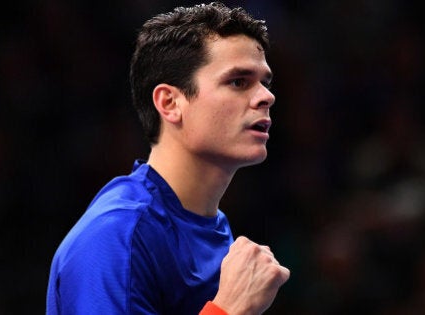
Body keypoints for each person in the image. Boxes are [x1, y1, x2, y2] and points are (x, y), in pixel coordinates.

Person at [46, 2, 290, 314]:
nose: (266, 96)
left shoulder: (211, 230)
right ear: (170, 102)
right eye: (238, 81)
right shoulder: (117, 235)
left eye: (264, 82)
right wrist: (228, 310)